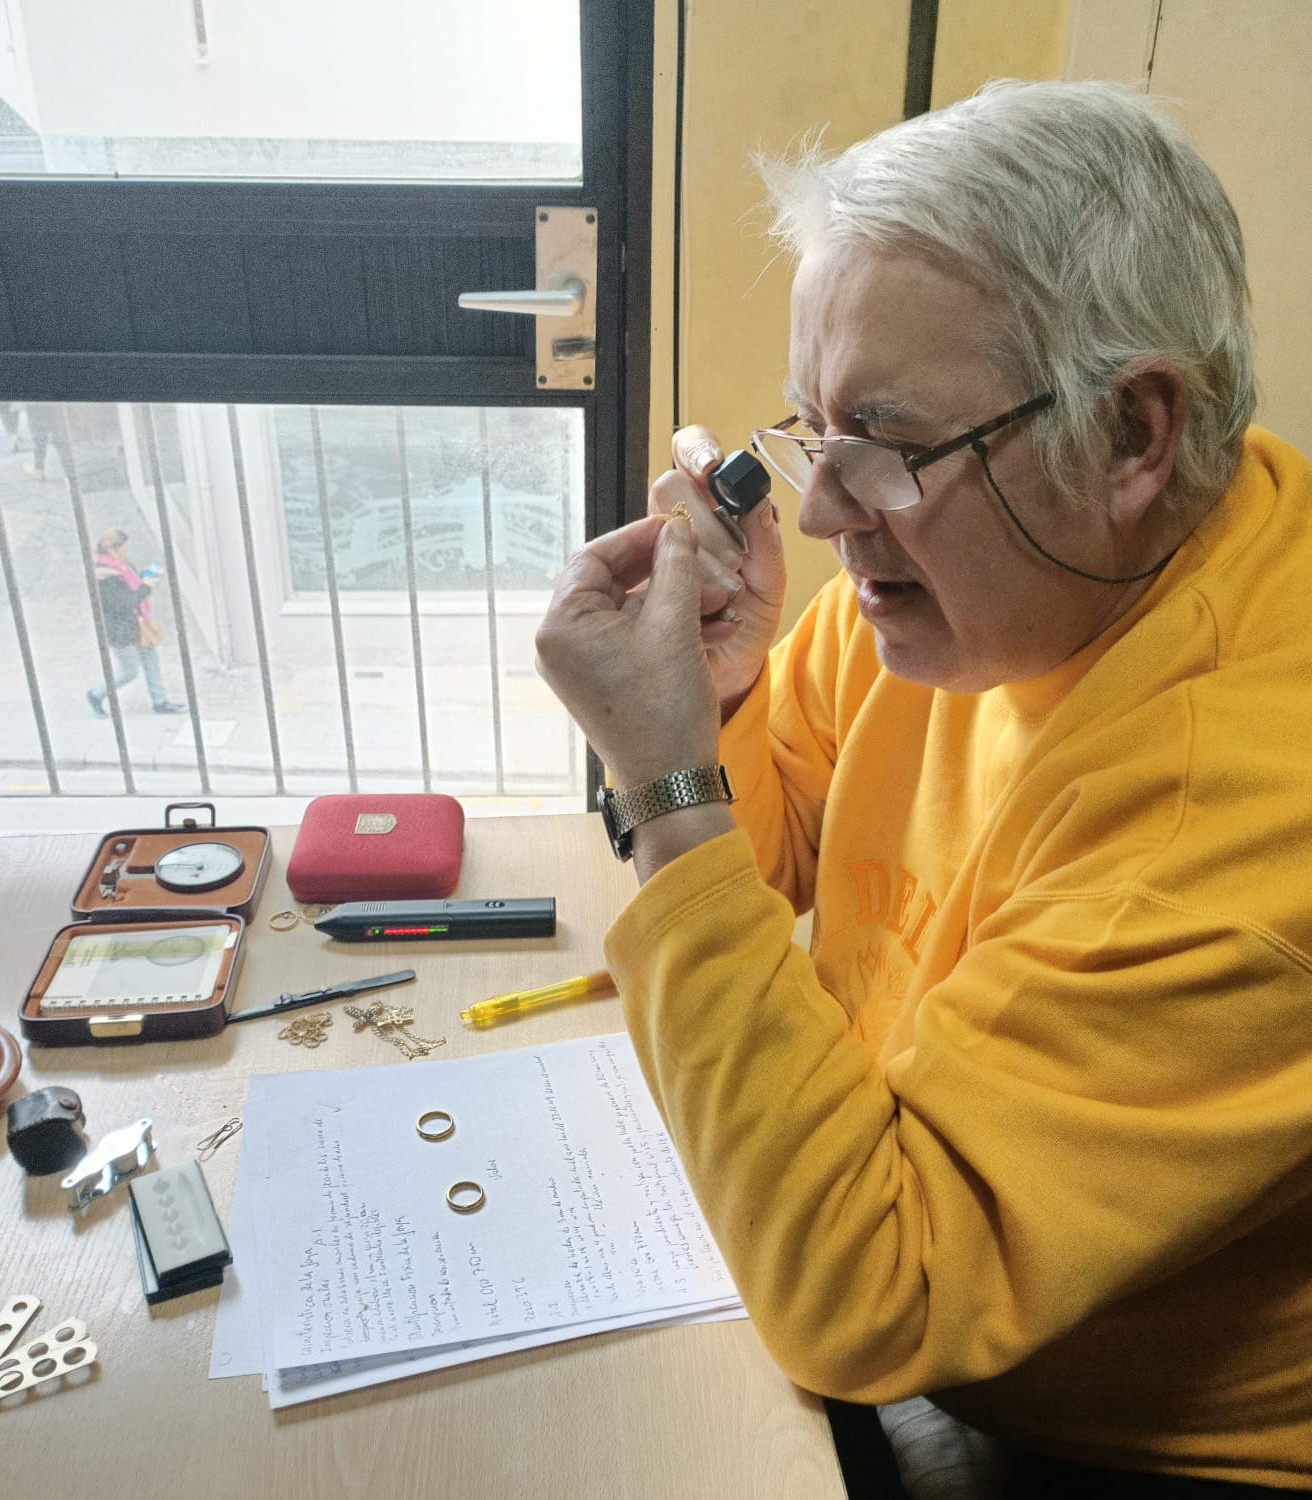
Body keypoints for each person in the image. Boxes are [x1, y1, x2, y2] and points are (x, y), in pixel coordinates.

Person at [535, 81, 1312, 1495]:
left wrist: (663, 789)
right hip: (915, 1312)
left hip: (1115, 1445)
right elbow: (775, 867)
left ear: (1134, 434)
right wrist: (714, 707)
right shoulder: (998, 587)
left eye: (884, 446)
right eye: (809, 434)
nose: (826, 514)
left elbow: (860, 1305)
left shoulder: (1246, 810)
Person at [86, 528, 186, 715]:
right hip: (120, 631)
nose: (127, 553)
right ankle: (95, 694)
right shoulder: (104, 578)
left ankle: (160, 702)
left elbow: (132, 586)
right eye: (123, 549)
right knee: (129, 671)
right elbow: (124, 603)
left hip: (140, 624)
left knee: (152, 662)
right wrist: (146, 586)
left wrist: (144, 577)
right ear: (111, 551)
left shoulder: (122, 566)